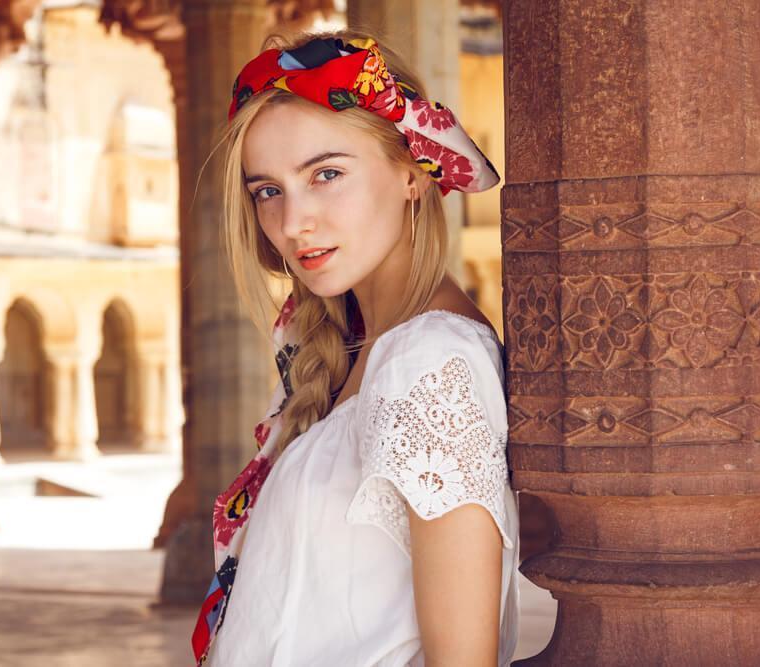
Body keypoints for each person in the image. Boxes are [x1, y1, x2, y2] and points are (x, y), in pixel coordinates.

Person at [191, 28, 519, 667]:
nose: (292, 223)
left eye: (327, 174)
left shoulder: (428, 364)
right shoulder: (358, 353)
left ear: (412, 173)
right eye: (268, 191)